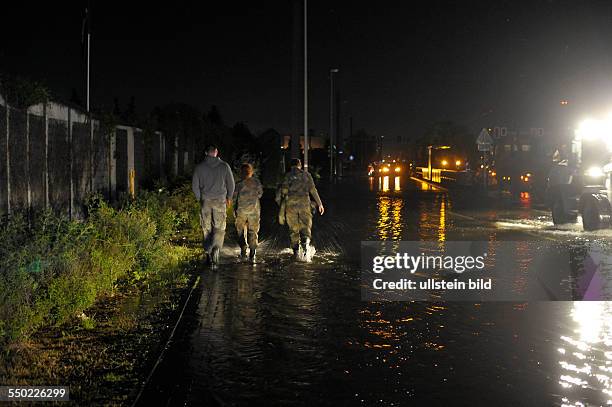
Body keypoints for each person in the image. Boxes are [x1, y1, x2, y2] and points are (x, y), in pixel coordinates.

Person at [192, 145, 235, 266]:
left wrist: (199, 198)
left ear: (206, 153)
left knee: (206, 228)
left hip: (205, 201)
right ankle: (216, 247)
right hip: (220, 202)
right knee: (219, 227)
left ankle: (208, 252)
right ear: (216, 152)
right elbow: (231, 184)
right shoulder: (224, 166)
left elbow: (195, 186)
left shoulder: (199, 167)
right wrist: (229, 198)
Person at [276, 158, 324, 259]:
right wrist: (320, 204)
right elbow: (313, 190)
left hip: (291, 206)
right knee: (306, 227)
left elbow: (283, 192)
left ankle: (296, 253)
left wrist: (281, 207)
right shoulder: (307, 175)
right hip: (304, 204)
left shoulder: (288, 176)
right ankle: (306, 245)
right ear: (300, 165)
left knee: (294, 230)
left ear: (291, 166)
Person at [233, 163, 263, 263]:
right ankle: (253, 252)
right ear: (251, 172)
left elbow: (234, 198)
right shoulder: (257, 182)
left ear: (241, 173)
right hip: (254, 211)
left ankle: (243, 248)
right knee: (253, 231)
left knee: (240, 230)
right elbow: (260, 194)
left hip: (241, 211)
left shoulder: (239, 184)